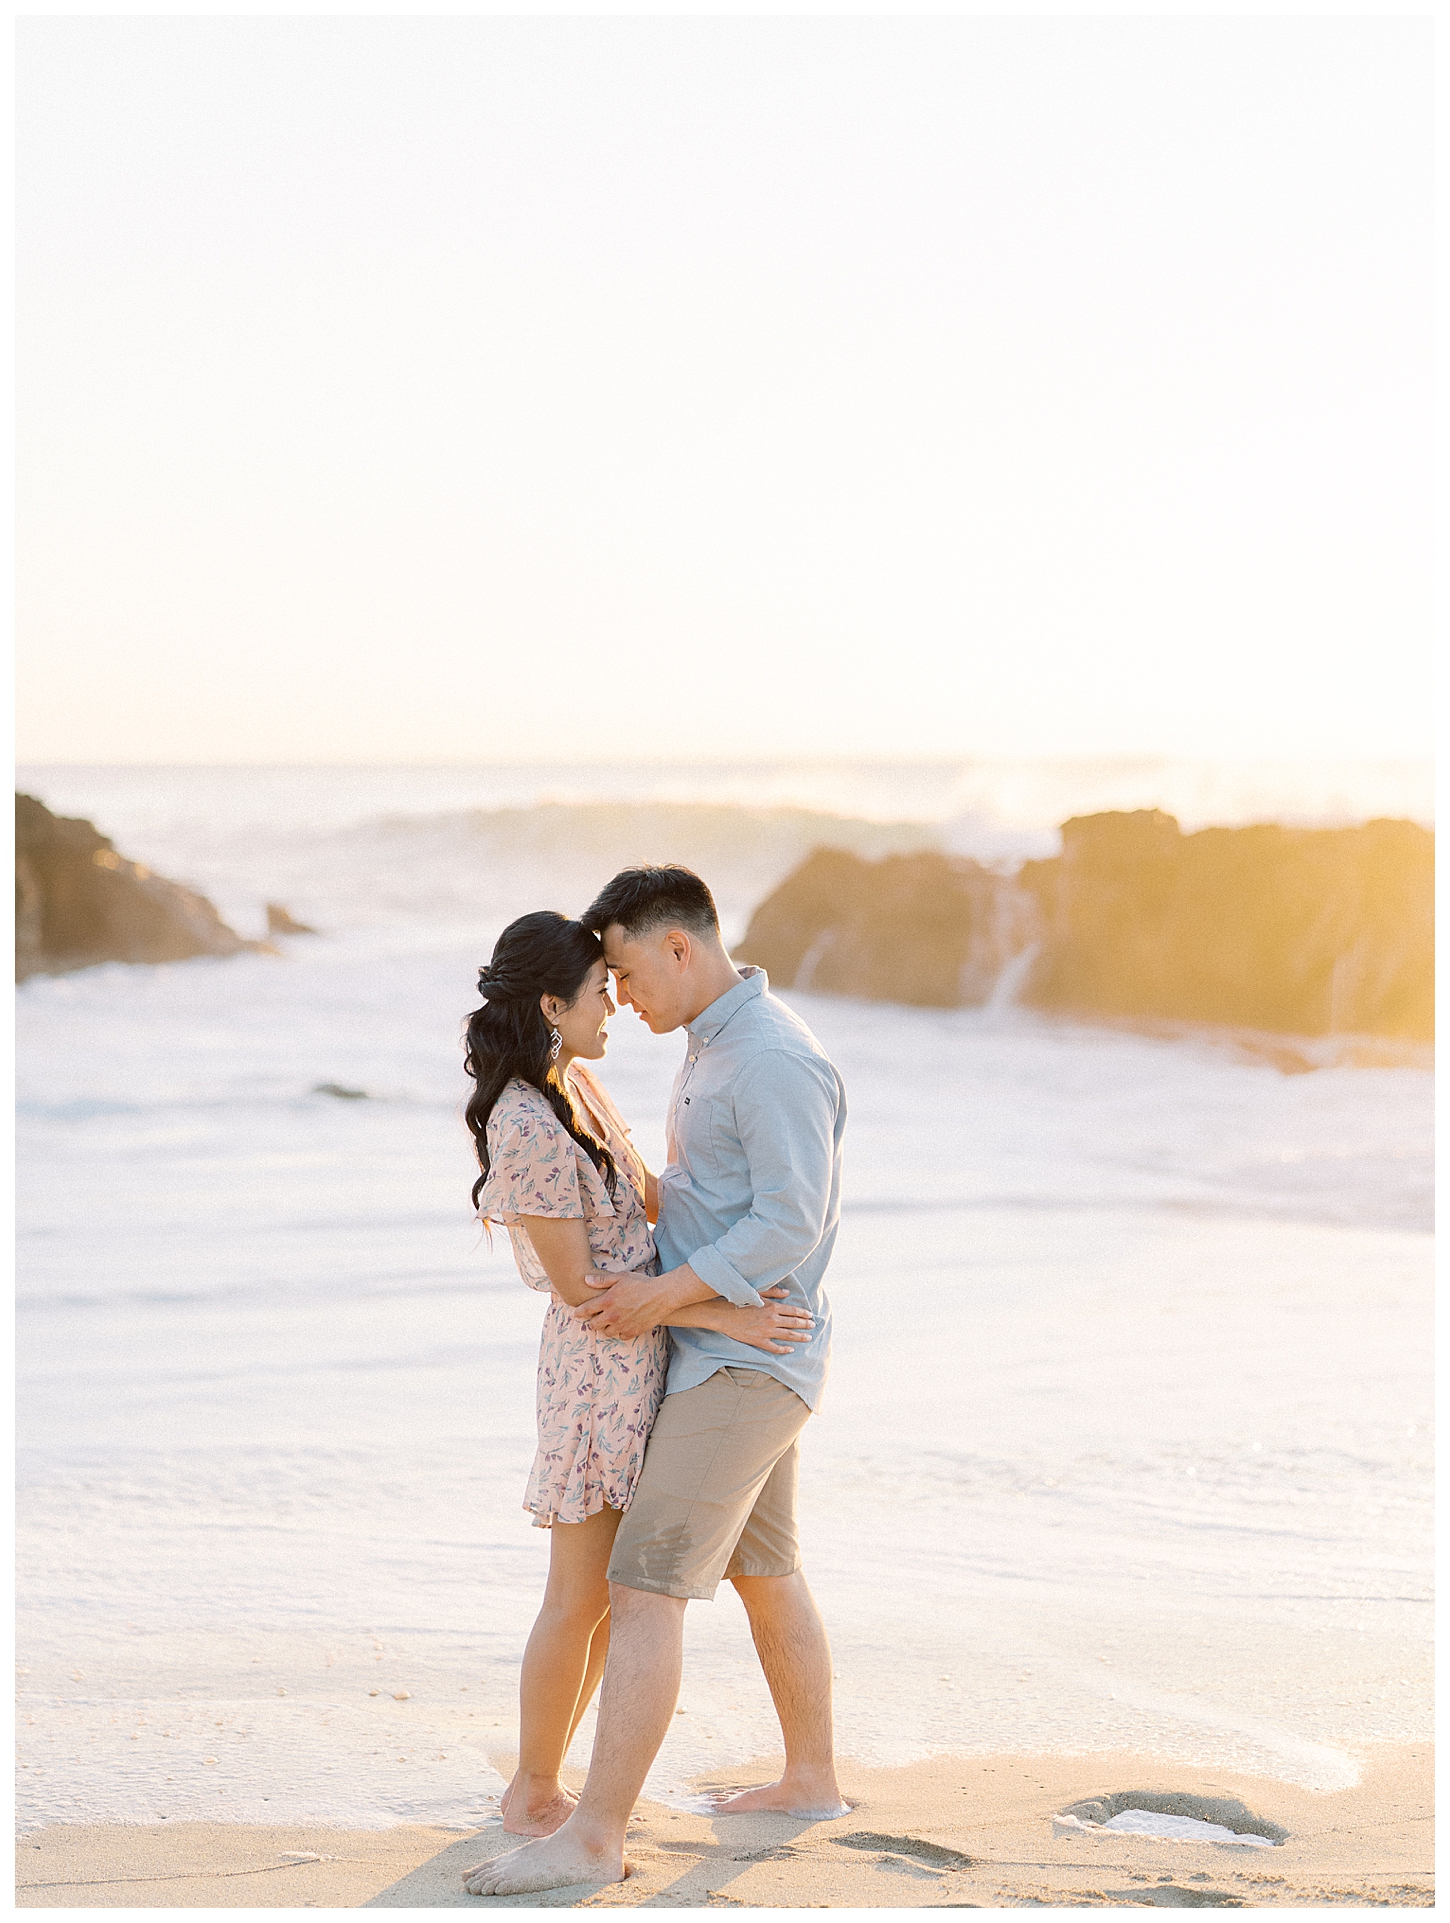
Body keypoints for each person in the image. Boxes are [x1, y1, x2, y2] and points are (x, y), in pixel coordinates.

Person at [464, 868, 848, 1898]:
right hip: (722, 1348)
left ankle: (592, 1834)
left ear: (677, 949)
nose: (622, 1000)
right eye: (606, 984)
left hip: (741, 1362)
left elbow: (788, 1221)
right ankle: (811, 1780)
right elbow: (680, 1198)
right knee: (768, 1570)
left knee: (639, 1592)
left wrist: (678, 1300)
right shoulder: (710, 1053)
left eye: (625, 973)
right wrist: (695, 1303)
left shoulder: (768, 1061)